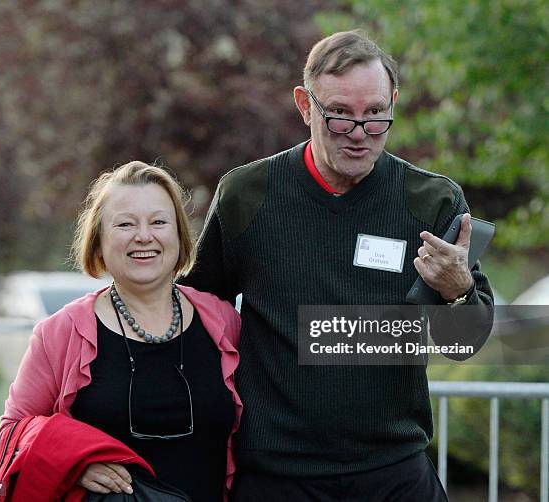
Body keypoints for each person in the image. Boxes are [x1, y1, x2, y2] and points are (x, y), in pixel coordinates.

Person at [182, 30, 494, 501]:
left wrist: (458, 291)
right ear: (305, 106)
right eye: (340, 115)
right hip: (277, 476)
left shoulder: (432, 201)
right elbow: (195, 318)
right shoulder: (247, 194)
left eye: (374, 115)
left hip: (394, 471)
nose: (359, 134)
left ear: (393, 102)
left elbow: (463, 345)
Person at [0, 161, 242, 501]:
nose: (144, 236)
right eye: (125, 224)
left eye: (158, 222)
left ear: (179, 236)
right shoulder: (61, 333)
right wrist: (72, 462)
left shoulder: (223, 322)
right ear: (98, 242)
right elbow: (13, 432)